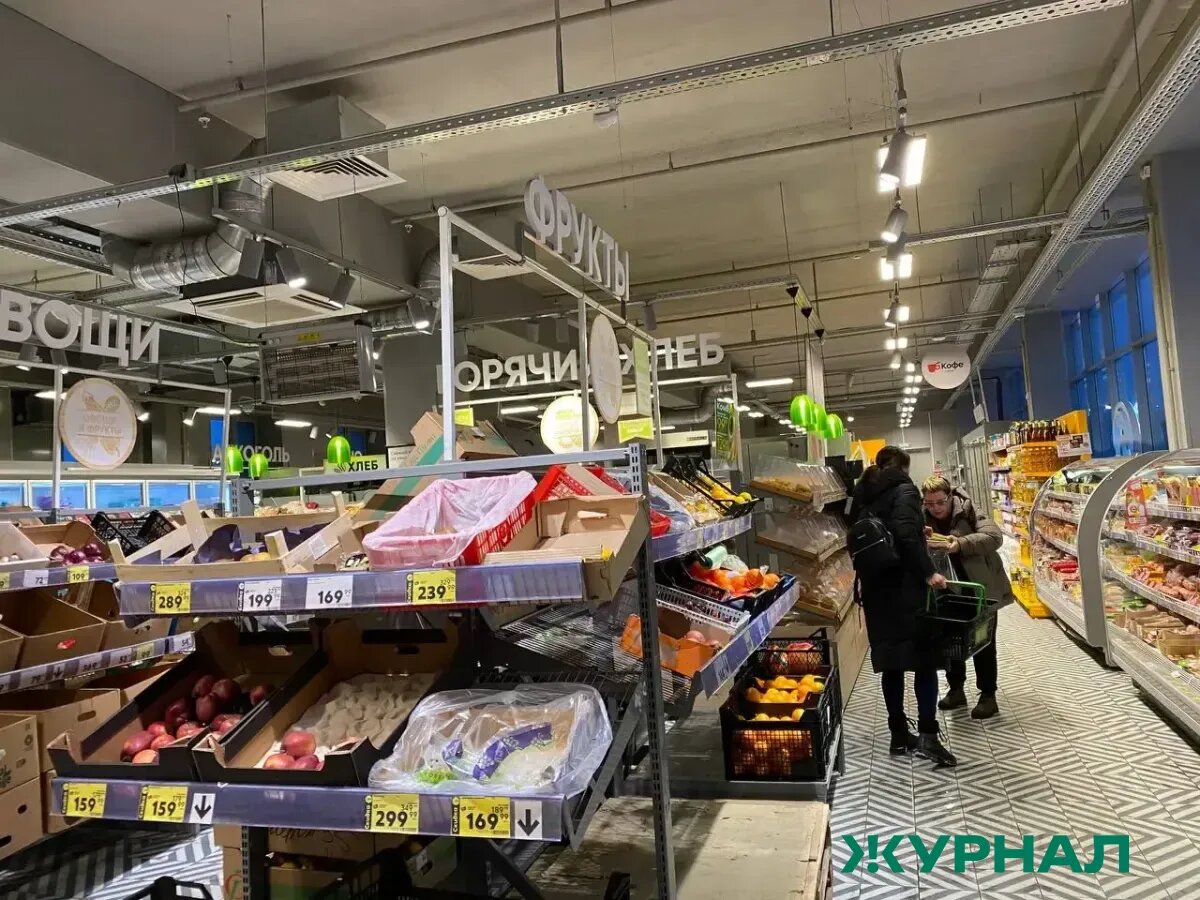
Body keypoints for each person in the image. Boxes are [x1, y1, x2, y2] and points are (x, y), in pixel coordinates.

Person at [850, 446, 957, 767]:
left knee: (891, 663)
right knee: (925, 661)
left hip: (875, 588)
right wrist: (929, 573)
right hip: (906, 589)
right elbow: (906, 537)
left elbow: (877, 532)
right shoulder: (905, 490)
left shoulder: (862, 492)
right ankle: (928, 736)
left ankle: (898, 735)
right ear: (904, 468)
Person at [921, 475, 1013, 720]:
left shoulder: (969, 509)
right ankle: (956, 690)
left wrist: (959, 544)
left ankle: (988, 696)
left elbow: (994, 537)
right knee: (950, 642)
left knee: (984, 642)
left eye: (940, 502)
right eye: (929, 503)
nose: (935, 508)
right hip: (949, 590)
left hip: (979, 588)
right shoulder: (922, 516)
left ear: (950, 497)